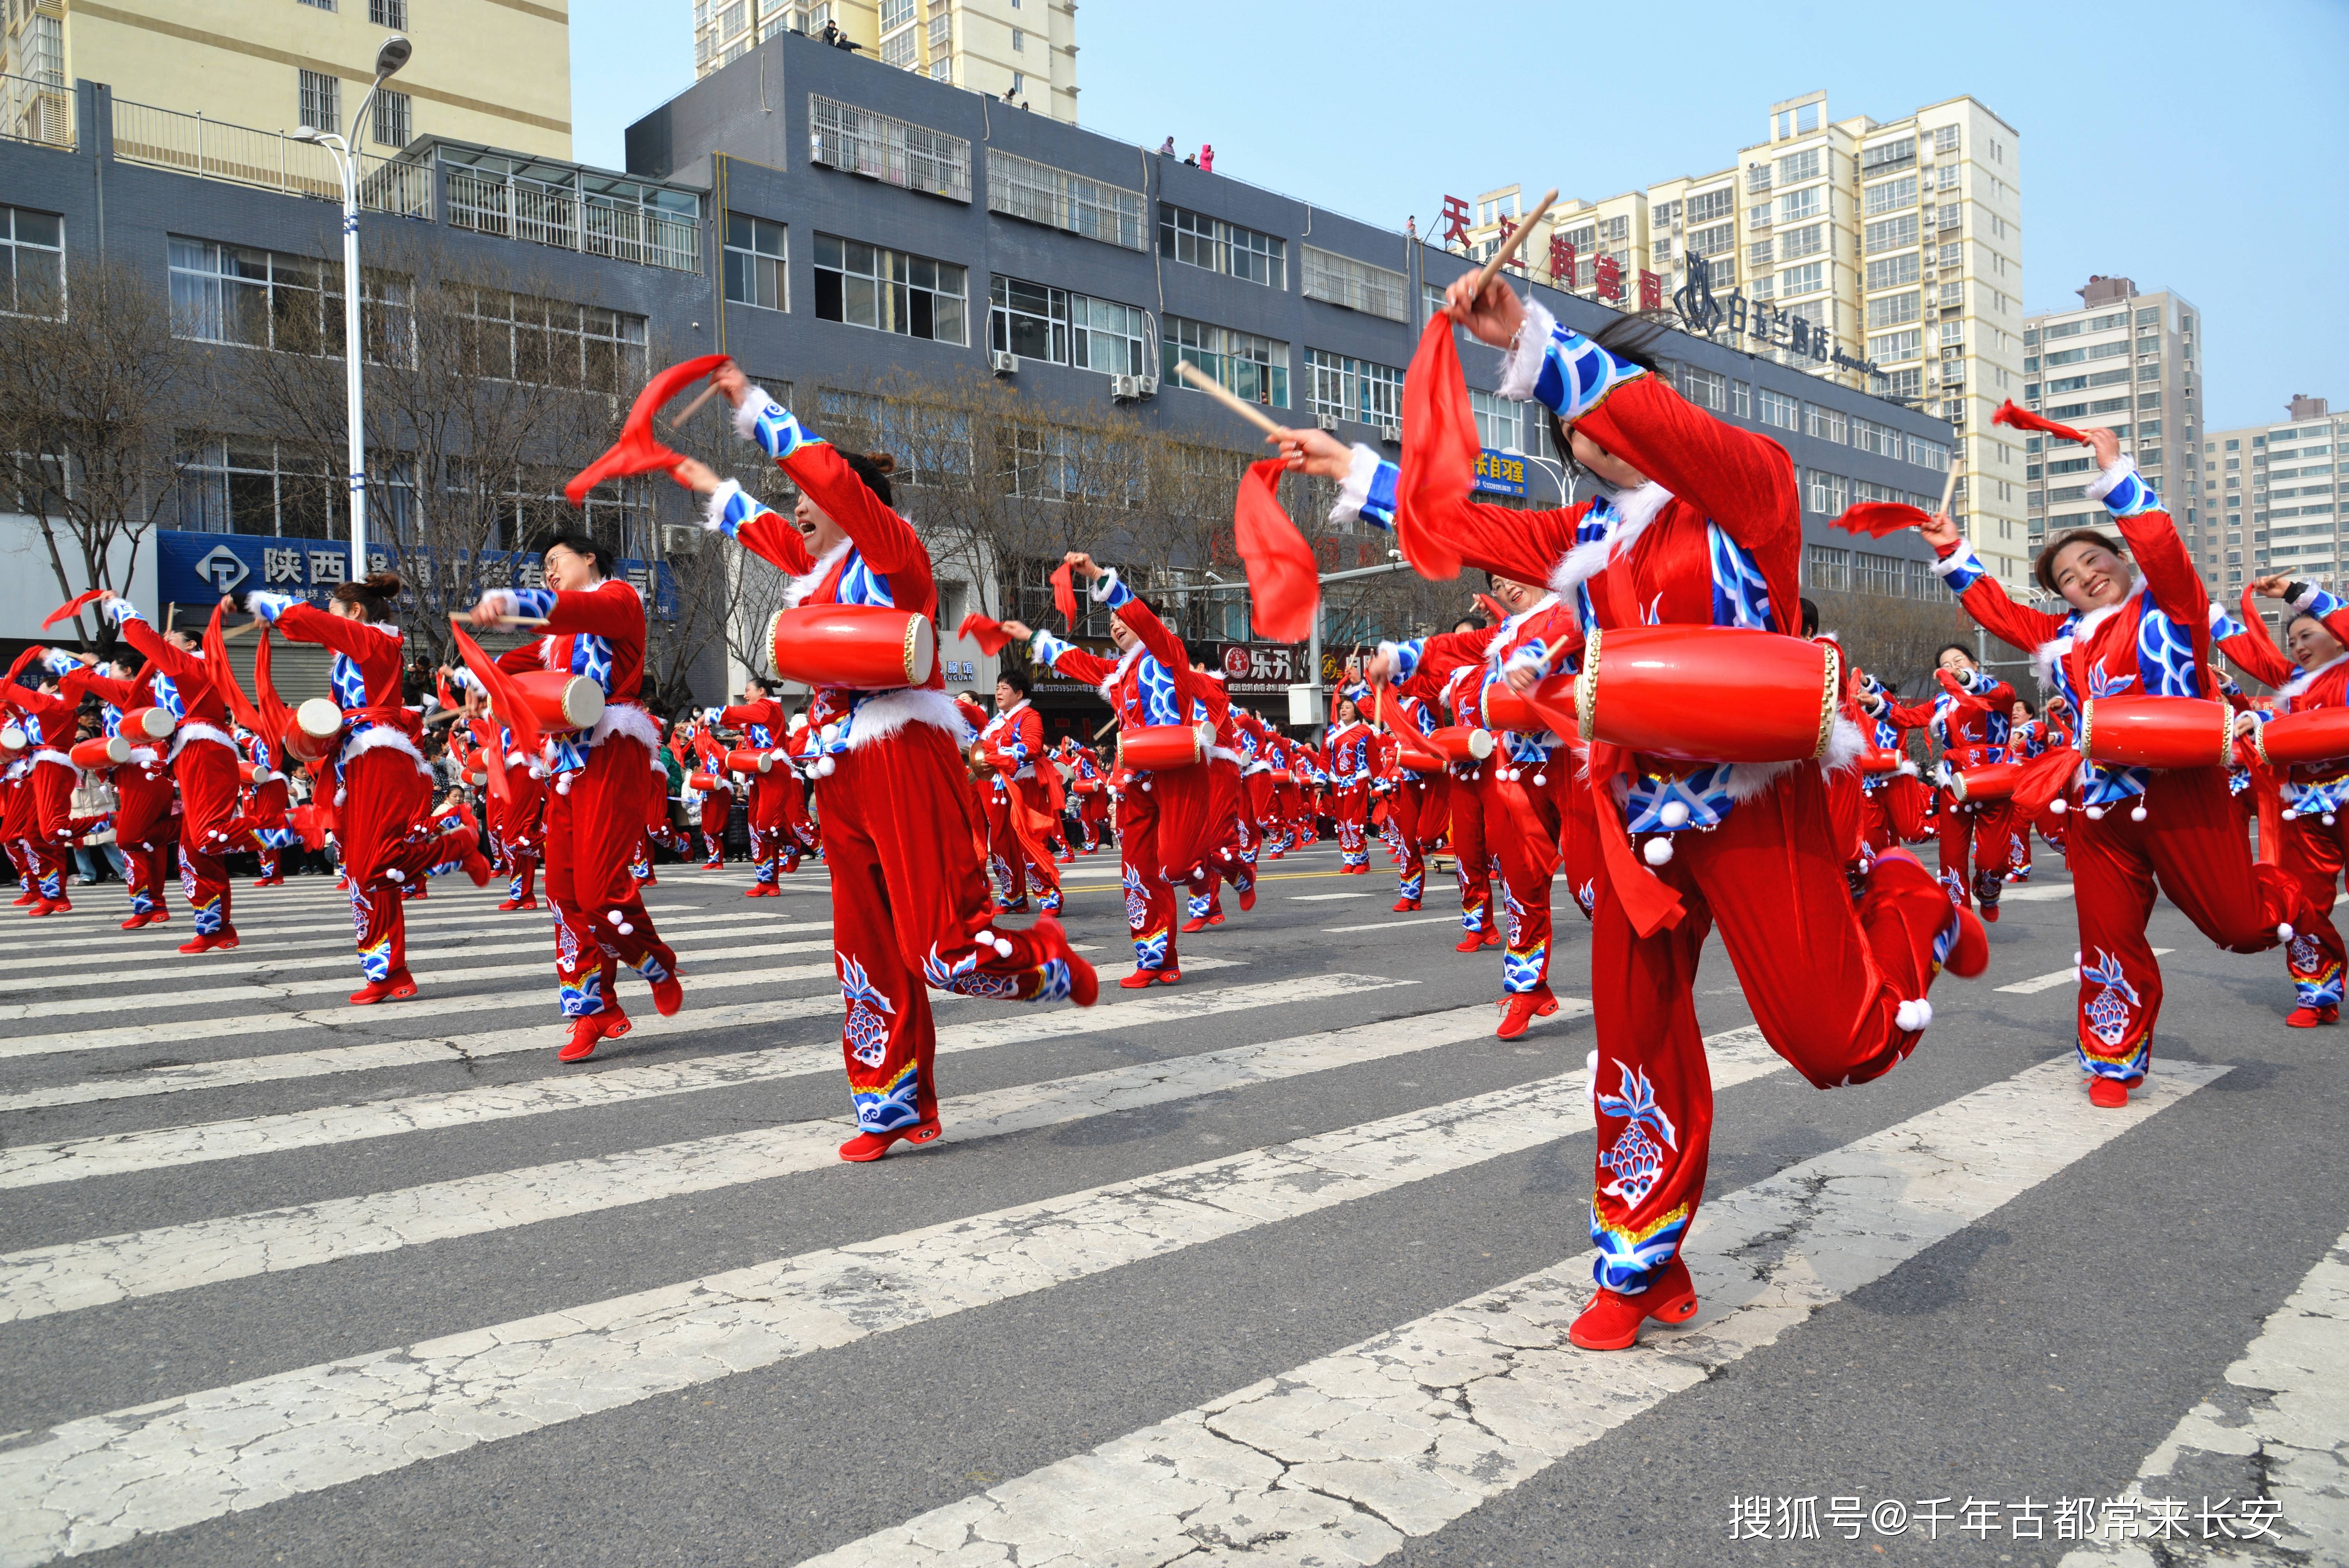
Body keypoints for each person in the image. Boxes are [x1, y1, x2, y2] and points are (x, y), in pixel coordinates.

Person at [1283, 272, 1988, 1350]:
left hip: (1752, 798)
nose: (1594, 444)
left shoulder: (1751, 497)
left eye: (1606, 422)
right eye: (1577, 435)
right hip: (1637, 821)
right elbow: (1468, 525)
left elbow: (1654, 423)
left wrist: (1525, 334)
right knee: (1634, 1038)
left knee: (1835, 1045)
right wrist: (1356, 469)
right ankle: (1640, 1264)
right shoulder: (1588, 540)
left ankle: (1909, 901)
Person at [672, 361, 1096, 1160]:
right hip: (840, 776)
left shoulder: (895, 558)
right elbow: (763, 530)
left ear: (849, 505)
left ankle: (1042, 959)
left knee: (939, 950)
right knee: (863, 950)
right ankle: (888, 1103)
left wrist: (753, 406)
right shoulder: (815, 574)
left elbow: (825, 481)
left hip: (903, 755)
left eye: (810, 496)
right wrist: (706, 483)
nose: (797, 507)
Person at [1917, 425, 2308, 1103]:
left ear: (2123, 560)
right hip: (2099, 808)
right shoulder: (2063, 637)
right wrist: (1952, 548)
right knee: (2107, 937)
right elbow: (2000, 612)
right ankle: (2112, 1058)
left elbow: (2165, 552)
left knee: (2243, 928)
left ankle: (2291, 893)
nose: (2083, 577)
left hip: (2184, 792)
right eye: (2066, 577)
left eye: (2094, 560)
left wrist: (2115, 474)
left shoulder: (2169, 608)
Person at [463, 535, 686, 1061]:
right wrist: (475, 672)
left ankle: (655, 962)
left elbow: (575, 609)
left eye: (554, 562)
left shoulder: (618, 602)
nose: (550, 573)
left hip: (613, 755)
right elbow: (510, 665)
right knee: (563, 897)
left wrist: (517, 606)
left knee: (599, 892)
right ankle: (593, 1008)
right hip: (565, 769)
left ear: (590, 558)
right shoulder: (554, 641)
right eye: (543, 569)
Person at [1002, 552, 1252, 985]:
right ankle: (1157, 957)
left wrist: (1099, 577)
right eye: (1111, 620)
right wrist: (1031, 637)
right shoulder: (1117, 672)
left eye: (1122, 616)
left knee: (1176, 865)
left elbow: (1149, 628)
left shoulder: (1168, 656)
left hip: (1179, 771)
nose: (1115, 624)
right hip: (1136, 777)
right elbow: (1079, 662)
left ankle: (1234, 868)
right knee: (1138, 870)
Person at [243, 575, 490, 1001]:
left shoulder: (374, 642)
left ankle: (458, 844)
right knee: (361, 875)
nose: (332, 621)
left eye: (337, 611)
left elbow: (309, 620)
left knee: (377, 866)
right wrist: (274, 621)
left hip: (380, 759)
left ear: (355, 613)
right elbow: (310, 628)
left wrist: (263, 601)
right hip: (355, 763)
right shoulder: (353, 654)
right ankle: (387, 972)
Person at [2223, 575, 2349, 1026]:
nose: (2296, 646)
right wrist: (2253, 719)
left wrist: (2299, 593)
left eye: (2307, 634)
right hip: (2304, 805)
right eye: (2291, 640)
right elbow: (2250, 661)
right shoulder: (2294, 686)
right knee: (2306, 902)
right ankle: (2317, 991)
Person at [1867, 645, 2015, 921]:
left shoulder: (1998, 694)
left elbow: (2003, 693)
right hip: (1954, 783)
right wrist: (1875, 704)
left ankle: (1988, 887)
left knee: (1993, 861)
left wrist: (1969, 682)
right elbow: (1907, 717)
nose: (1953, 667)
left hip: (1993, 780)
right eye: (1946, 665)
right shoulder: (1940, 703)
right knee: (1952, 858)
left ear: (1974, 664)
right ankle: (1959, 921)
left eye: (1959, 661)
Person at [977, 667, 1062, 914]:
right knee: (1002, 844)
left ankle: (1049, 896)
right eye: (997, 688)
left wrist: (1002, 755)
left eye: (1005, 688)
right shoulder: (994, 722)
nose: (998, 692)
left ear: (1019, 694)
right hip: (999, 788)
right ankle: (1012, 895)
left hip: (1024, 785)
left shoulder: (1029, 715)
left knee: (1030, 842)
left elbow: (1033, 745)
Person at [1321, 694, 1374, 873]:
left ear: (1356, 712)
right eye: (1342, 707)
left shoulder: (1365, 732)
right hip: (1337, 781)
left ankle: (1360, 860)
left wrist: (1382, 783)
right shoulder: (1331, 732)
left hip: (1358, 779)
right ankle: (1350, 858)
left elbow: (1374, 759)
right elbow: (1325, 757)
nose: (1343, 710)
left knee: (1354, 819)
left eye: (1348, 707)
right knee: (1342, 820)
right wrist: (1319, 781)